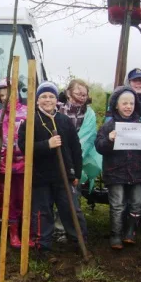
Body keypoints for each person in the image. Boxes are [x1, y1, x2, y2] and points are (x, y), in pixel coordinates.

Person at [18, 81, 88, 256]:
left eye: (51, 96)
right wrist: (46, 144)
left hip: (63, 175)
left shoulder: (64, 121)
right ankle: (43, 246)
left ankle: (79, 242)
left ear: (57, 100)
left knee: (71, 209)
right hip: (40, 177)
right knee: (42, 212)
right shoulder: (30, 122)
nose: (47, 100)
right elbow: (24, 147)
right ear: (37, 100)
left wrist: (76, 172)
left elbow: (76, 148)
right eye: (43, 96)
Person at [95, 87, 141, 248]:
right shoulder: (109, 126)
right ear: (116, 105)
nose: (128, 106)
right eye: (124, 103)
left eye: (131, 103)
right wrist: (109, 140)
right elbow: (99, 146)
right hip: (115, 172)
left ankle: (131, 232)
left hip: (138, 172)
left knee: (138, 203)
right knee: (118, 205)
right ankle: (115, 235)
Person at [0, 78, 27, 248]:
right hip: (6, 165)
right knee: (9, 199)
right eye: (2, 95)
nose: (5, 97)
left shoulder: (27, 113)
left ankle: (26, 231)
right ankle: (13, 234)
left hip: (25, 164)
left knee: (24, 198)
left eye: (8, 93)